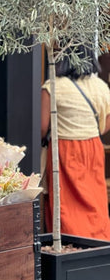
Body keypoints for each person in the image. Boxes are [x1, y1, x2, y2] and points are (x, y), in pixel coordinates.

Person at [41, 46, 110, 240]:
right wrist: (90, 131)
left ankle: (69, 244)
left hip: (65, 148)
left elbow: (42, 127)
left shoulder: (54, 85)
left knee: (66, 203)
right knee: (94, 200)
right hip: (93, 147)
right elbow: (107, 120)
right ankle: (99, 242)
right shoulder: (100, 86)